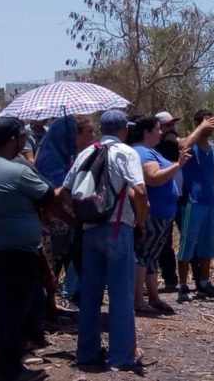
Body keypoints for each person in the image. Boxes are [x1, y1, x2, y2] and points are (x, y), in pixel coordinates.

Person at [0, 116, 55, 381]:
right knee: (12, 313)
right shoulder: (16, 170)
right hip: (15, 255)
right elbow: (48, 195)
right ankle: (11, 371)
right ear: (14, 140)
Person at [62, 109, 149, 371]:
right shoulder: (126, 152)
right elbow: (140, 189)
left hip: (90, 231)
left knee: (90, 295)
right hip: (117, 228)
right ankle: (121, 356)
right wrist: (140, 221)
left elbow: (65, 192)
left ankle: (87, 352)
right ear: (123, 129)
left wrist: (80, 217)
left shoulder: (86, 152)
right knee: (121, 295)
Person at [128, 115, 190, 315]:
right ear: (147, 132)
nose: (161, 132)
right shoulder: (143, 154)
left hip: (162, 214)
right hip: (152, 214)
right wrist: (178, 165)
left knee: (151, 257)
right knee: (143, 255)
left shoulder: (150, 152)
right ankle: (138, 300)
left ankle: (153, 298)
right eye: (157, 129)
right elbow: (153, 179)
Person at [34, 116, 95, 308]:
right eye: (89, 132)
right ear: (72, 135)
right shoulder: (50, 158)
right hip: (55, 218)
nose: (92, 136)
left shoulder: (71, 156)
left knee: (66, 259)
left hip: (70, 219)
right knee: (53, 261)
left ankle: (62, 300)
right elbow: (52, 192)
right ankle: (49, 303)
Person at [176, 109, 214, 301]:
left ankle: (204, 283)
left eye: (212, 121)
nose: (210, 125)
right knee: (187, 245)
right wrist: (200, 128)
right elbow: (184, 144)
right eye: (206, 121)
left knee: (208, 246)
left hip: (210, 203)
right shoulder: (187, 144)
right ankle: (183, 285)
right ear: (197, 123)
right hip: (192, 203)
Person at [154, 111, 185, 292]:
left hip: (182, 198)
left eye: (172, 124)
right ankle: (170, 280)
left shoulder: (179, 146)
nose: (171, 129)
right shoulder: (154, 148)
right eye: (167, 125)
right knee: (164, 242)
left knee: (187, 238)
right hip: (164, 199)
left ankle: (195, 280)